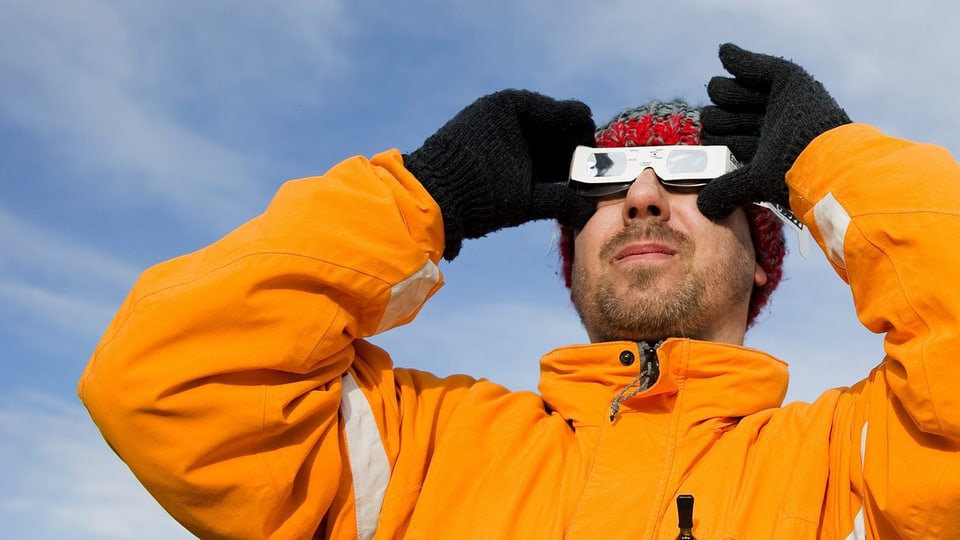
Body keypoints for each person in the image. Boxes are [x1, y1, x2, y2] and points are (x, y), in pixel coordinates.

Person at [78, 43, 960, 539]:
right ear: (571, 255)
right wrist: (425, 194)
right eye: (607, 190)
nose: (644, 198)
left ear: (764, 258)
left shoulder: (863, 465)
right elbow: (162, 379)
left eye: (690, 183)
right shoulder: (412, 451)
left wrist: (831, 163)